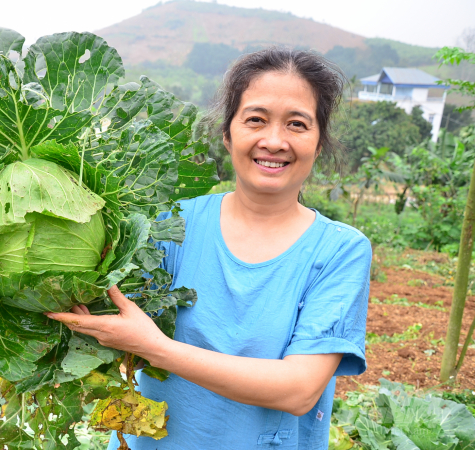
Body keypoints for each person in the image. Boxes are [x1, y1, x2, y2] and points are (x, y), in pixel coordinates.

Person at [45, 47, 371, 450]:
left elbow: (298, 390)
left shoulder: (340, 250)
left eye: (297, 124)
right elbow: (89, 301)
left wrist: (155, 348)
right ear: (227, 132)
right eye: (256, 120)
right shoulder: (168, 223)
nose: (274, 141)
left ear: (318, 143)